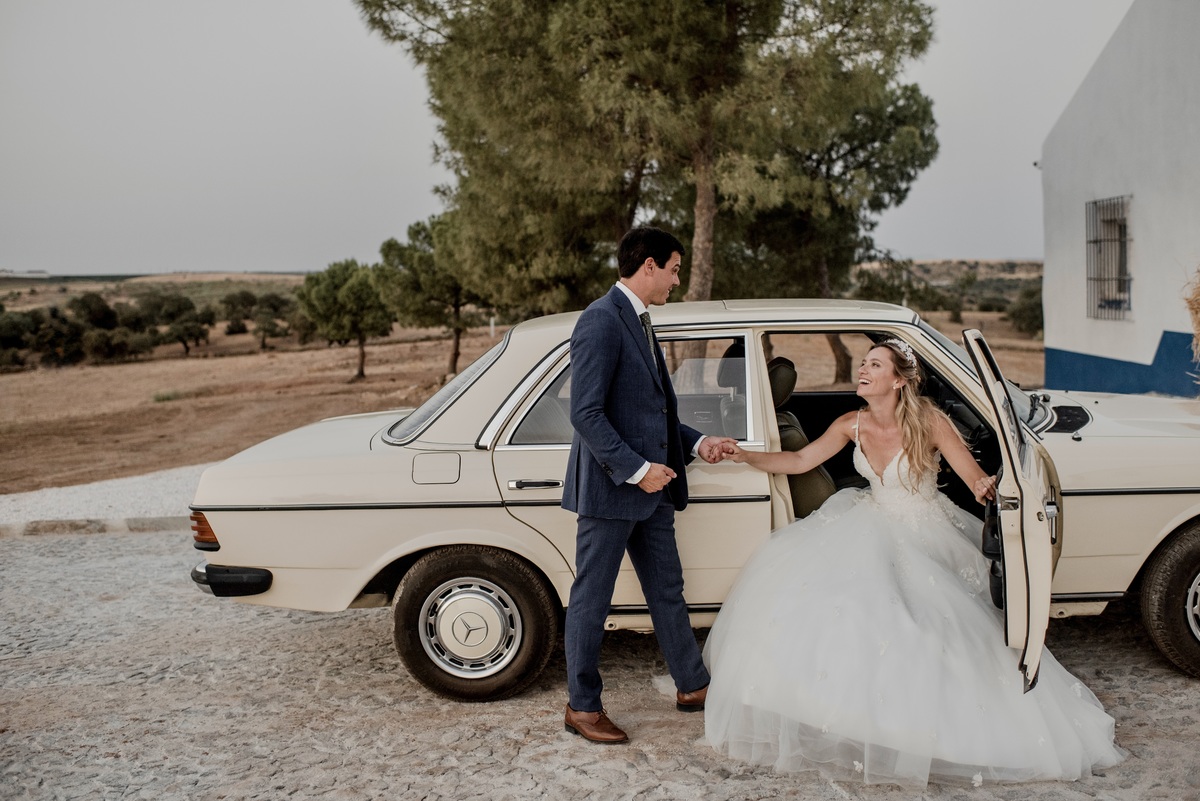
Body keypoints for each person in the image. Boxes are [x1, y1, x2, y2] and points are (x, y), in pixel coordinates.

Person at [704, 339, 1125, 786]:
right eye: (863, 364)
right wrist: (745, 454)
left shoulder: (931, 421)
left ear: (900, 380)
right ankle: (855, 717)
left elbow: (973, 477)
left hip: (928, 528)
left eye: (875, 365)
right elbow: (800, 459)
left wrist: (993, 489)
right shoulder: (851, 423)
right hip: (868, 522)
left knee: (941, 619)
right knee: (847, 606)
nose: (863, 371)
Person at [561, 226, 734, 744]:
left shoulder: (639, 320)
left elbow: (650, 413)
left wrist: (699, 443)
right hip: (615, 488)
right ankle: (582, 708)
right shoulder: (600, 320)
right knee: (592, 598)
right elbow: (586, 414)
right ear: (650, 266)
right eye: (675, 269)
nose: (677, 281)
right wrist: (638, 470)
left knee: (666, 589)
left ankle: (692, 685)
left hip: (651, 490)